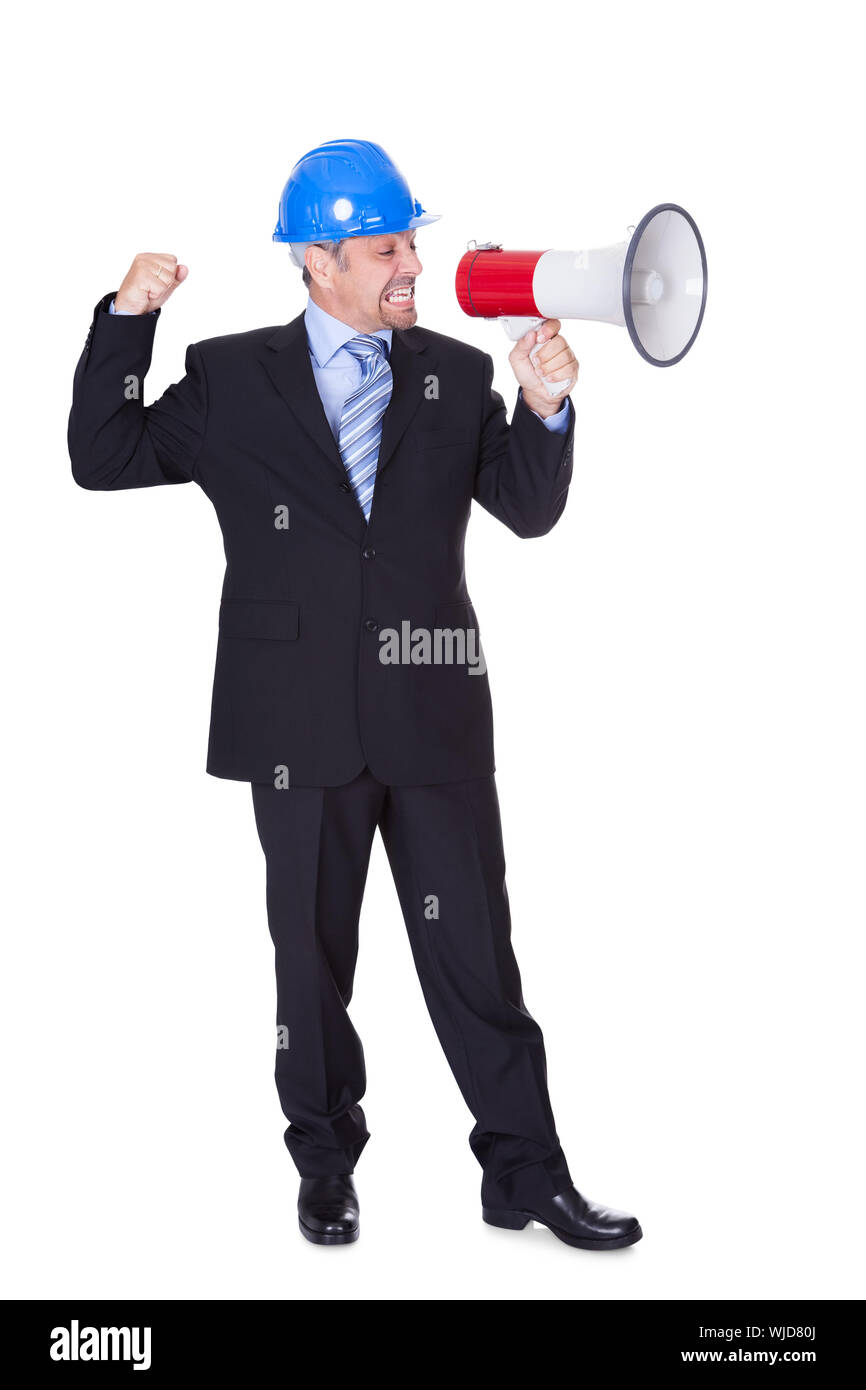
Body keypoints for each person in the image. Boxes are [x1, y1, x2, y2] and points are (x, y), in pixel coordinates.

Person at [68, 138, 642, 1252]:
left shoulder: (452, 374)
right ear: (319, 260)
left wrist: (544, 408)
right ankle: (323, 1165)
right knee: (311, 958)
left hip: (430, 715)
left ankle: (523, 1172)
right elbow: (102, 451)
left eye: (410, 243)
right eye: (387, 248)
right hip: (296, 725)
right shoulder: (234, 378)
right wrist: (126, 319)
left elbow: (526, 510)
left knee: (477, 955)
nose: (410, 267)